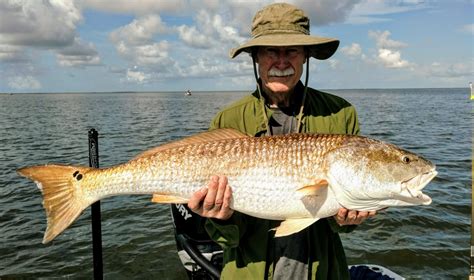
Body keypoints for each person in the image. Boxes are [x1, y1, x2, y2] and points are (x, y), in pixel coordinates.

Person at [187, 3, 376, 279]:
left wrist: (346, 219)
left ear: (306, 56)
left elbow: (343, 220)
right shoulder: (227, 119)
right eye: (270, 51)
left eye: (292, 51)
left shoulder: (340, 113)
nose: (281, 61)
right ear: (255, 57)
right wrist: (219, 216)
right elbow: (225, 239)